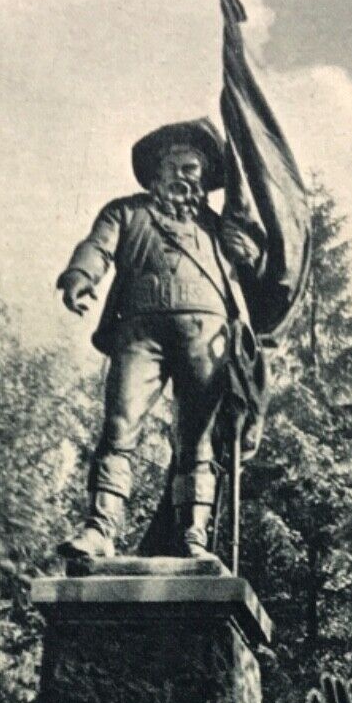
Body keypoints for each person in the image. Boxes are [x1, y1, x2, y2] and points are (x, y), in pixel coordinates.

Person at [56, 117, 265, 562]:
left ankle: (194, 537)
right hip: (139, 332)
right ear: (155, 172)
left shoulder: (220, 230)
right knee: (119, 425)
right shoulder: (127, 212)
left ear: (206, 180)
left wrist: (248, 249)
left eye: (192, 169)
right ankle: (101, 527)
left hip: (207, 339)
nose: (182, 177)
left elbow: (256, 273)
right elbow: (97, 246)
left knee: (198, 440)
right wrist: (79, 274)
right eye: (173, 167)